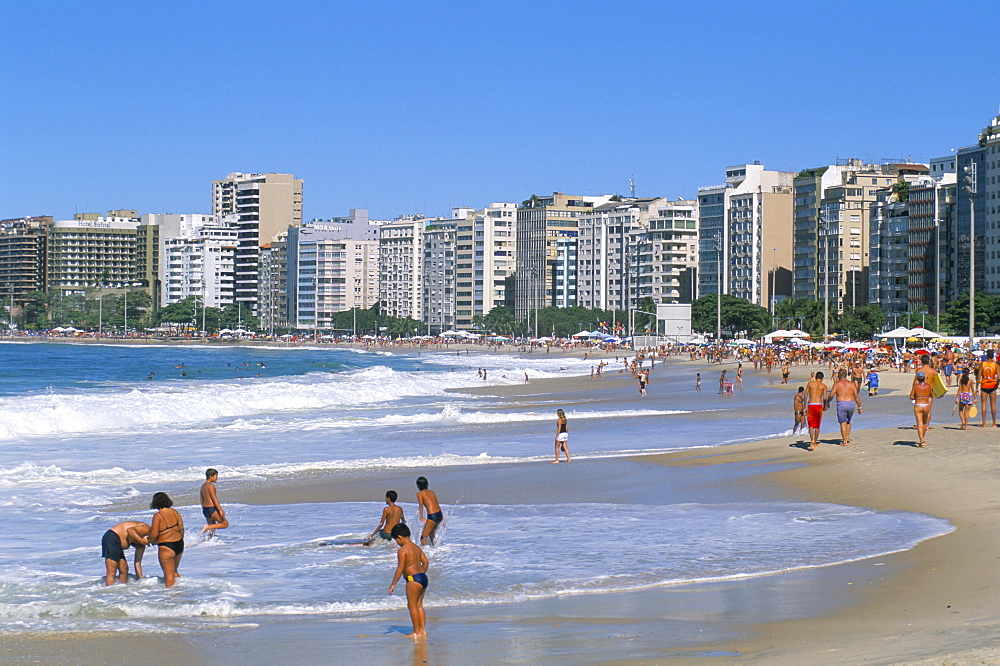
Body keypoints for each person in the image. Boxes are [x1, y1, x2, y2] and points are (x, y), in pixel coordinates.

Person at [387, 523, 429, 639]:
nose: (397, 543)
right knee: (419, 605)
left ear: (399, 537)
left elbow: (400, 568)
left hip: (412, 579)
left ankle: (416, 631)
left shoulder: (403, 550)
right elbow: (426, 562)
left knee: (412, 606)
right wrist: (421, 573)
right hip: (422, 577)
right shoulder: (416, 547)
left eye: (396, 540)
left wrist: (393, 584)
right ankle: (423, 631)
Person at [148, 491, 184, 587]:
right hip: (179, 544)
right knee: (175, 572)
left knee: (169, 577)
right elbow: (181, 529)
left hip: (166, 546)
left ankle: (171, 599)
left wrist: (148, 540)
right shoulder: (175, 512)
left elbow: (154, 535)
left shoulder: (158, 516)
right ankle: (181, 592)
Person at [101, 521, 150, 586]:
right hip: (112, 537)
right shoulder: (147, 529)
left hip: (118, 545)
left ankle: (122, 590)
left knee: (124, 569)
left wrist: (140, 579)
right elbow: (130, 530)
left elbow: (137, 563)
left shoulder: (141, 545)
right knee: (112, 571)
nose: (149, 543)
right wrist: (141, 540)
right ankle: (109, 592)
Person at [825, 369, 863, 446]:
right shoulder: (851, 384)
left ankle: (844, 441)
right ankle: (847, 437)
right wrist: (859, 406)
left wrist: (827, 402)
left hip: (841, 403)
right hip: (850, 403)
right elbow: (856, 396)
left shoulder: (837, 384)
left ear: (839, 375)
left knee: (843, 423)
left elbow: (831, 394)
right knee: (848, 421)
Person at [200, 468, 229, 534]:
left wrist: (204, 510)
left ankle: (209, 542)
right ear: (211, 476)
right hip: (211, 509)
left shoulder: (203, 486)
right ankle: (207, 527)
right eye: (216, 476)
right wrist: (220, 510)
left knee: (212, 528)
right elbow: (214, 498)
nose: (217, 478)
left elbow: (201, 499)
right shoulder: (210, 486)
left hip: (205, 509)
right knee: (225, 524)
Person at [415, 476, 442, 546]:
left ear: (418, 486)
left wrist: (421, 516)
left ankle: (427, 553)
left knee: (423, 538)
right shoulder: (432, 492)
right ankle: (435, 548)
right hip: (439, 514)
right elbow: (437, 503)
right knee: (431, 534)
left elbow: (420, 505)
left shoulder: (419, 494)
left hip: (432, 515)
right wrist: (443, 518)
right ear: (427, 484)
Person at [910, 371, 934, 447]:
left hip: (918, 404)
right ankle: (922, 438)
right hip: (926, 404)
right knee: (924, 423)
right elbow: (932, 395)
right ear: (924, 378)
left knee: (919, 422)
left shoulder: (915, 386)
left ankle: (921, 440)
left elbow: (911, 396)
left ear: (917, 378)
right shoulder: (928, 386)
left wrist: (916, 397)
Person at [805, 371, 828, 451]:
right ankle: (815, 442)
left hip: (811, 404)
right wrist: (825, 406)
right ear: (822, 379)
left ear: (815, 377)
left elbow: (805, 395)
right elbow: (824, 398)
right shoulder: (823, 386)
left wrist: (805, 407)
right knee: (817, 425)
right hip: (818, 404)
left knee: (811, 425)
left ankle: (812, 441)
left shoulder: (810, 384)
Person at [977, 349, 1000, 427]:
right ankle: (994, 422)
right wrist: (997, 384)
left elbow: (979, 376)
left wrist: (977, 386)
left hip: (984, 385)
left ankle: (984, 423)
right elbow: (999, 377)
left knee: (984, 404)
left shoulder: (982, 364)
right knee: (993, 405)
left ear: (986, 355)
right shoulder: (996, 365)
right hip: (993, 385)